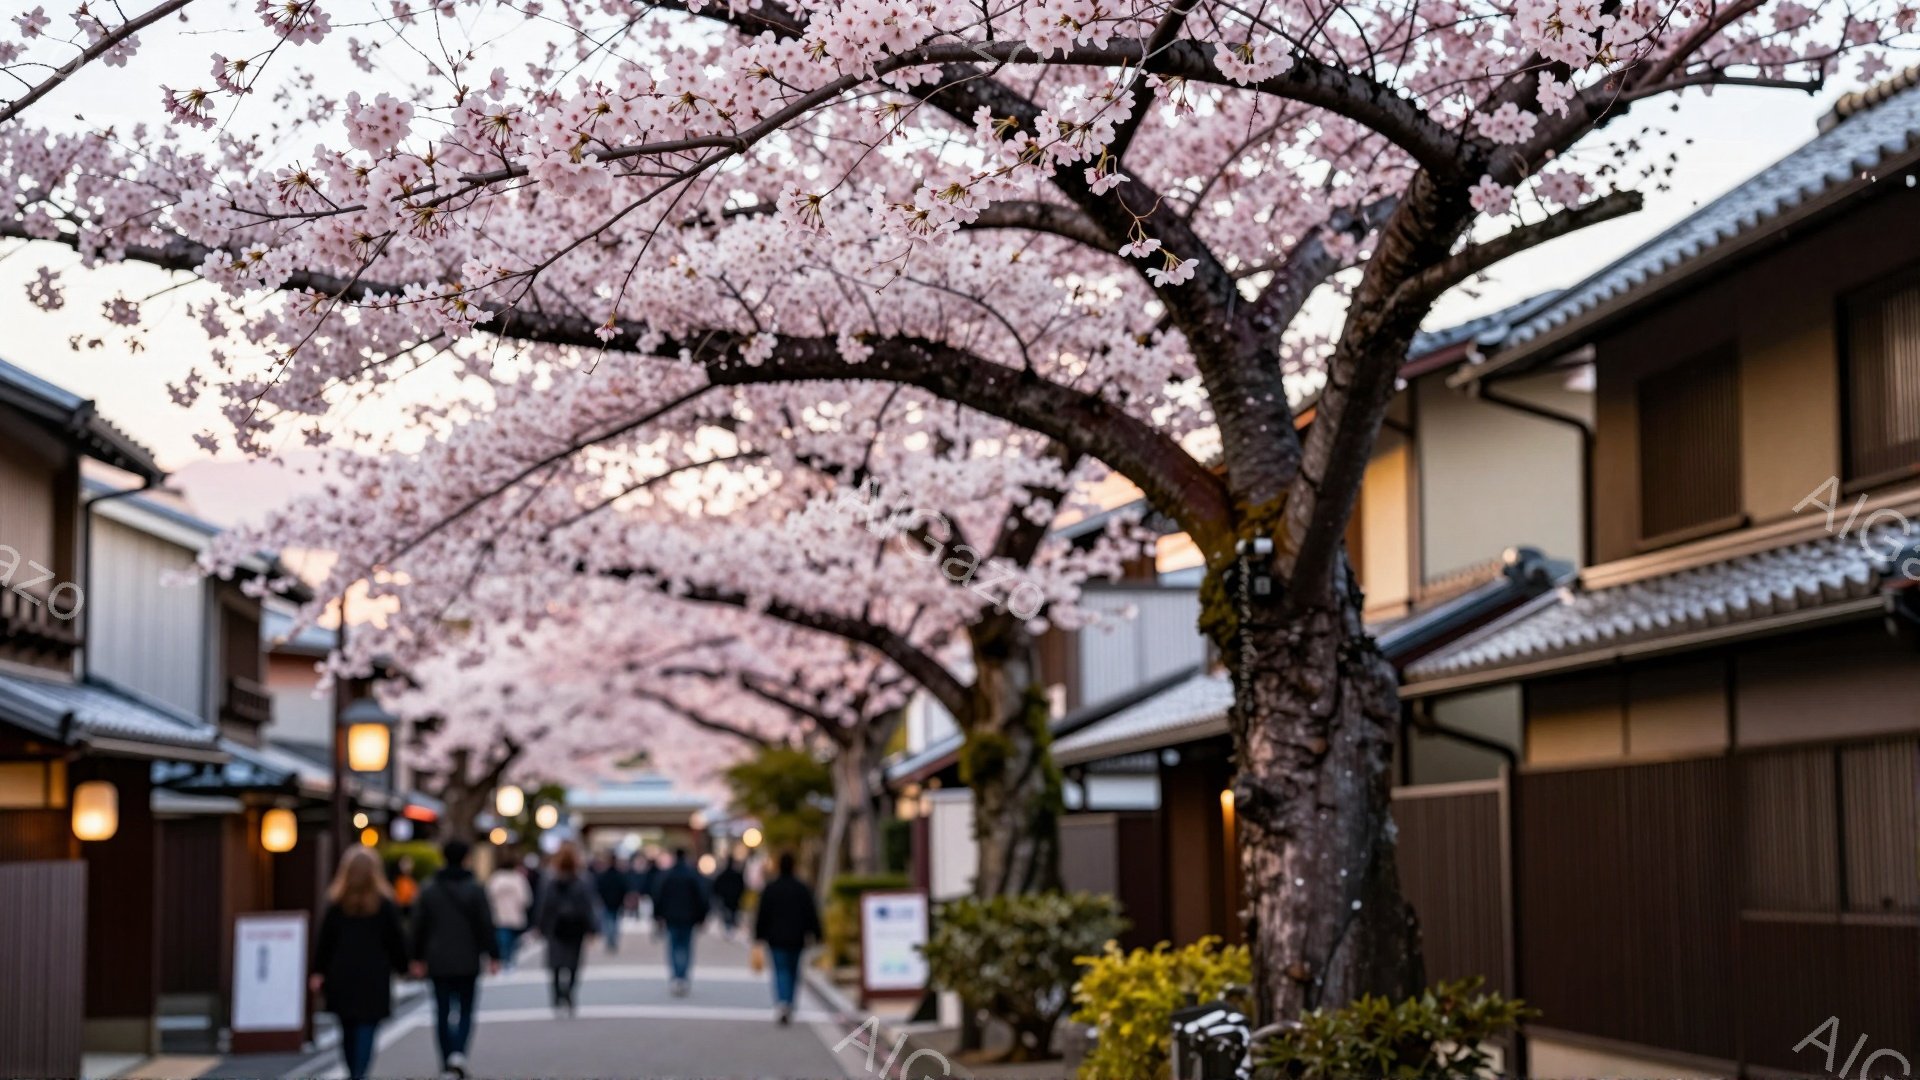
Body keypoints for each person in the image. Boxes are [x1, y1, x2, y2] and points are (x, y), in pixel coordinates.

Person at [311, 847, 410, 1080]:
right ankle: (359, 1073)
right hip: (374, 974)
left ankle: (352, 1071)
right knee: (367, 1027)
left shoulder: (336, 903)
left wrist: (318, 970)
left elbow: (324, 942)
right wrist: (403, 966)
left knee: (347, 1028)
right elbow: (396, 939)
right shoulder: (384, 904)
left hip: (341, 974)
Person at [409, 839, 499, 1079]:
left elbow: (418, 927)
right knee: (466, 1010)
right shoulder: (475, 889)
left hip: (438, 959)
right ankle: (458, 1053)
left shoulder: (429, 889)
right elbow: (485, 925)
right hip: (468, 958)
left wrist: (416, 957)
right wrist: (494, 954)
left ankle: (446, 1059)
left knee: (442, 1010)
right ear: (466, 858)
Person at [752, 853, 822, 1025]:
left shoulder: (771, 888)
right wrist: (817, 933)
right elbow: (811, 913)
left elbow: (762, 914)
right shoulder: (802, 888)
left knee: (780, 970)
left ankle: (782, 1002)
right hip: (797, 937)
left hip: (775, 937)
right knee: (793, 970)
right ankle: (789, 1002)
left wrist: (758, 935)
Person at [537, 842, 599, 1014]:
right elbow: (588, 906)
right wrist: (592, 928)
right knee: (573, 963)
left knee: (555, 963)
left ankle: (557, 994)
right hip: (576, 926)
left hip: (555, 926)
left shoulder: (550, 880)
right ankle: (569, 991)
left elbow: (544, 905)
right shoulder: (583, 880)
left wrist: (540, 925)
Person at [653, 847, 710, 996]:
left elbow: (658, 896)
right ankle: (683, 976)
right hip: (689, 917)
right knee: (686, 947)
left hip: (671, 916)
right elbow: (702, 897)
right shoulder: (693, 875)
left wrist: (657, 915)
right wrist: (702, 916)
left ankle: (676, 976)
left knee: (673, 946)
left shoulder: (667, 876)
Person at [486, 856, 533, 970]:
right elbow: (525, 899)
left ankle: (504, 959)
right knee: (513, 940)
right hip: (515, 915)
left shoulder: (495, 879)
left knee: (503, 939)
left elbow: (488, 897)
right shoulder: (518, 879)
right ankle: (509, 960)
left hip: (499, 915)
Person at [592, 853, 632, 954]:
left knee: (607, 921)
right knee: (614, 921)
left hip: (607, 901)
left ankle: (610, 940)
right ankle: (612, 939)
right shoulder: (619, 875)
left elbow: (598, 888)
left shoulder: (604, 875)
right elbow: (625, 888)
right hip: (616, 902)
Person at [711, 856, 746, 935]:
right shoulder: (737, 876)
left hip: (726, 899)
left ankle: (728, 928)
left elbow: (716, 887)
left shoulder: (723, 875)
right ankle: (729, 929)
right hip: (734, 899)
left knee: (727, 914)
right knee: (731, 914)